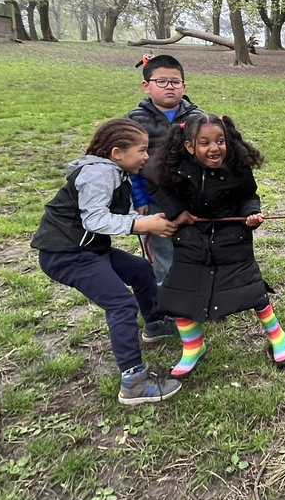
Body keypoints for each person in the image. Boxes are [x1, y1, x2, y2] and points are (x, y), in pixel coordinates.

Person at [31, 118, 182, 406]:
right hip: (67, 255)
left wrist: (146, 218)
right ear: (117, 153)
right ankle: (134, 383)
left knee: (140, 270)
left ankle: (155, 324)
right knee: (121, 304)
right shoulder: (98, 175)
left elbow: (116, 213)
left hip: (88, 249)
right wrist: (142, 225)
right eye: (141, 150)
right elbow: (95, 219)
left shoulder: (114, 171)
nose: (146, 156)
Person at [147, 112, 285, 376]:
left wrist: (251, 215)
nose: (214, 148)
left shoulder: (237, 167)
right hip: (191, 236)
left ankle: (277, 335)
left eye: (220, 141)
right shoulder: (175, 166)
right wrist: (176, 211)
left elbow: (249, 195)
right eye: (205, 143)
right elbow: (156, 184)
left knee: (252, 289)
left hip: (232, 235)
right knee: (179, 292)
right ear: (190, 146)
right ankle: (193, 347)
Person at [127, 54, 202, 298]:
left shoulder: (198, 119)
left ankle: (200, 299)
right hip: (155, 203)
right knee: (163, 254)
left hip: (193, 200)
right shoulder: (134, 121)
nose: (170, 87)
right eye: (162, 81)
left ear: (184, 86)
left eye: (175, 82)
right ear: (146, 85)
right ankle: (169, 306)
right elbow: (131, 168)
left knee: (197, 249)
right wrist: (139, 201)